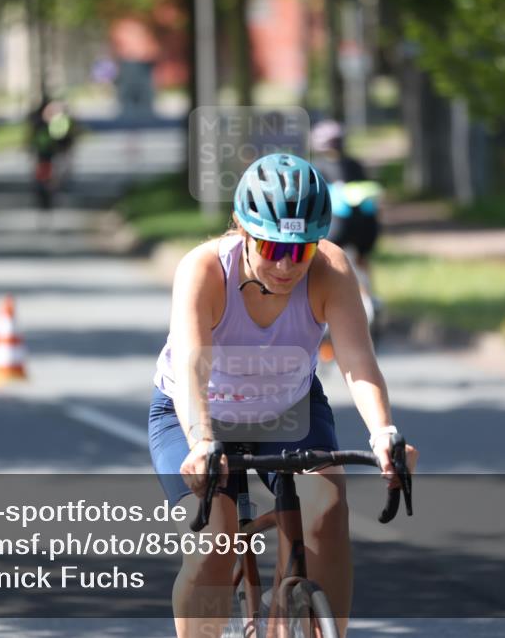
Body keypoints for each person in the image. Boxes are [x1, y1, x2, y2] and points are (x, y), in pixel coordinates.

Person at [148, 153, 418, 637]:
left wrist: (384, 434)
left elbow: (358, 362)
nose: (287, 265)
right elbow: (192, 365)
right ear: (242, 230)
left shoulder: (330, 269)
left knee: (329, 512)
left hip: (288, 409)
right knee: (213, 544)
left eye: (302, 250)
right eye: (273, 248)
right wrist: (202, 441)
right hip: (195, 415)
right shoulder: (205, 270)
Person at [311, 120, 385, 347]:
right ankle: (372, 298)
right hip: (366, 227)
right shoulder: (355, 165)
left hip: (337, 227)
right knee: (362, 261)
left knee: (323, 262)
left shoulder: (317, 168)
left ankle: (324, 306)